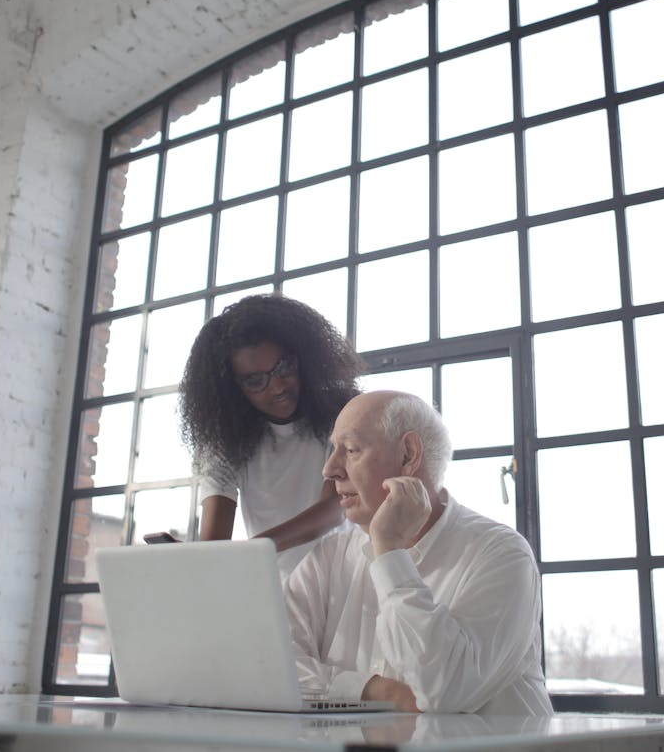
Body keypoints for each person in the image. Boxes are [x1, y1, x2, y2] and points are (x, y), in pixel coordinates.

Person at [284, 390, 553, 716]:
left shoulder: (502, 555)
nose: (330, 469)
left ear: (409, 455)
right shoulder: (329, 556)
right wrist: (373, 690)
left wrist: (389, 552)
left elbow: (444, 691)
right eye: (333, 450)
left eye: (351, 450)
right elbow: (268, 662)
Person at [178, 294, 363, 575]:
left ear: (302, 357)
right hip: (276, 591)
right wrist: (205, 562)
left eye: (283, 368)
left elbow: (334, 510)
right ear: (233, 387)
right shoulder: (224, 440)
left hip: (346, 582)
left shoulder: (343, 414)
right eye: (256, 381)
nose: (277, 387)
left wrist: (254, 549)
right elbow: (214, 539)